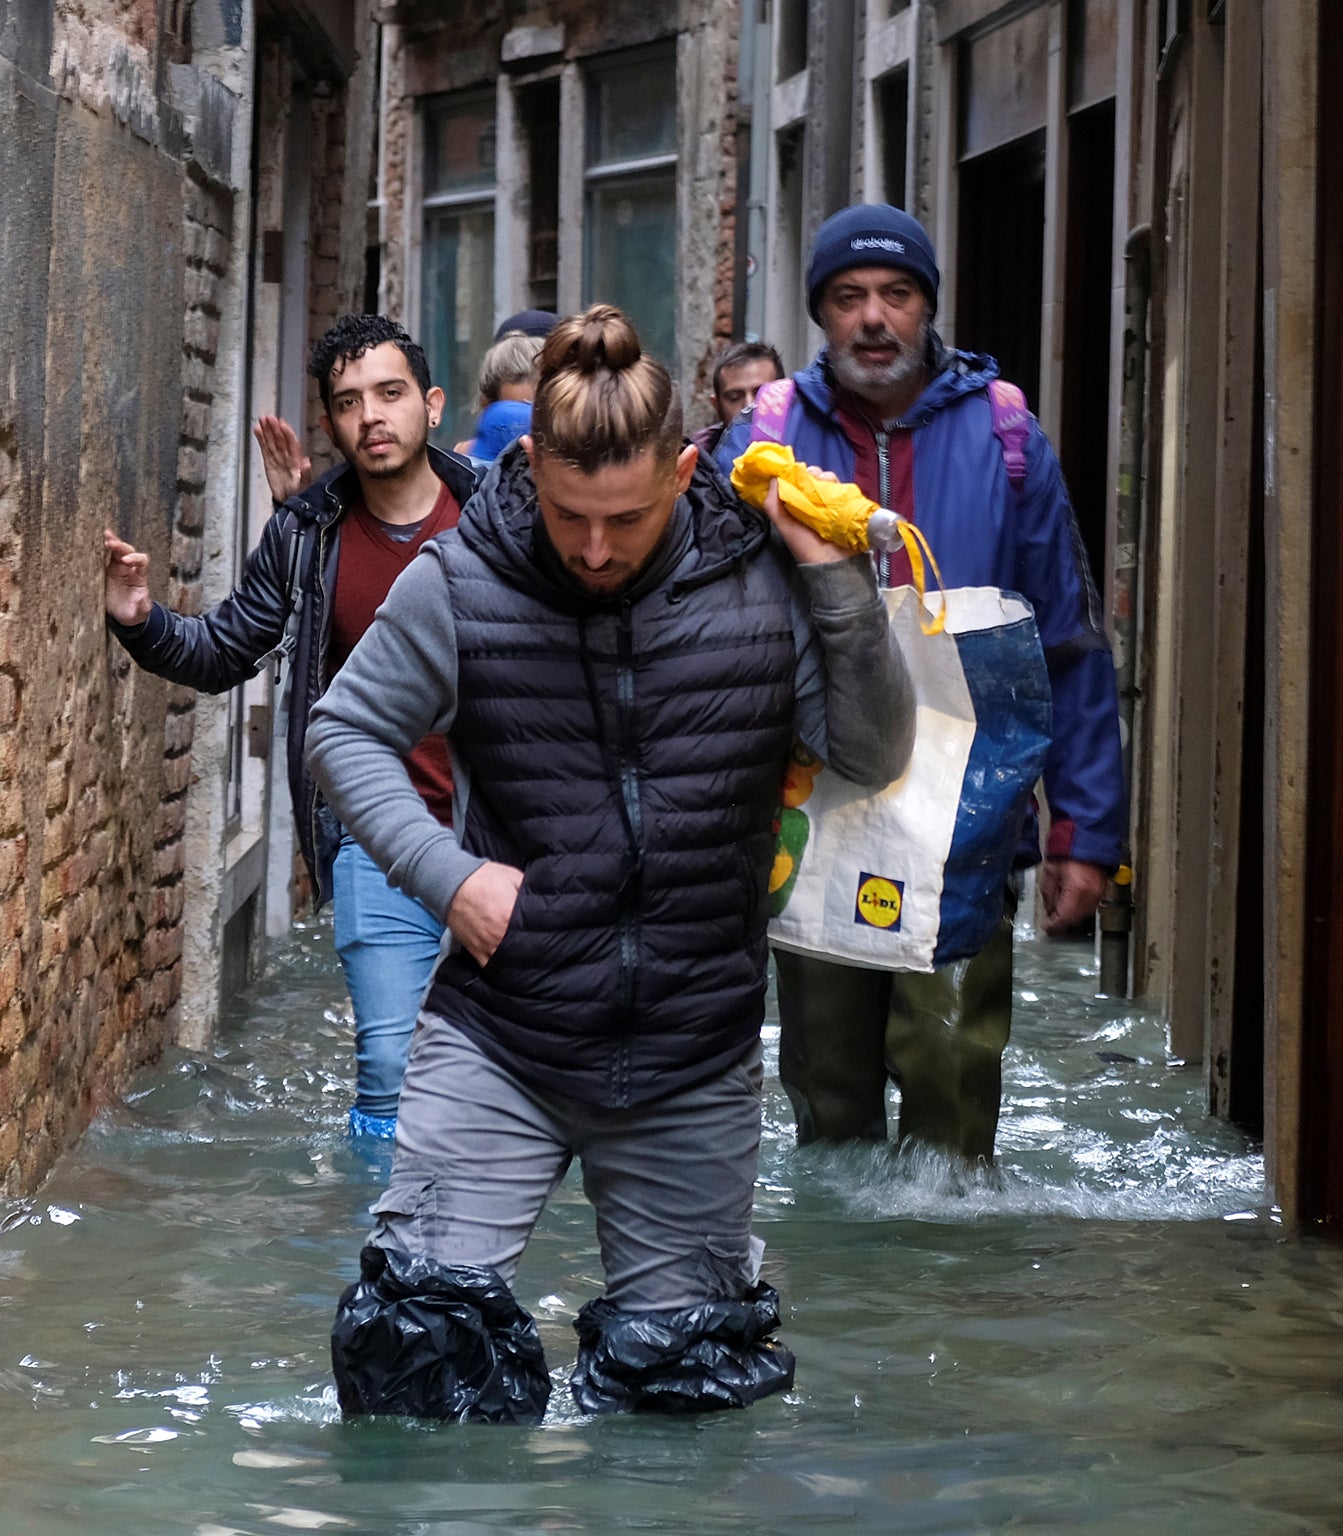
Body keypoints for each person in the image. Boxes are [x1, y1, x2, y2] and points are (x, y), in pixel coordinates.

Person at [305, 304, 914, 1421]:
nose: (592, 548)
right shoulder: (462, 582)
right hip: (503, 1034)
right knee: (414, 1372)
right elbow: (341, 733)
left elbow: (872, 752)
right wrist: (450, 878)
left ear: (685, 471)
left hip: (691, 1048)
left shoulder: (764, 586)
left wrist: (832, 581)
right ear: (526, 465)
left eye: (624, 520)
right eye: (567, 513)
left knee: (676, 1409)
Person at [718, 203, 1127, 1165]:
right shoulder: (766, 439)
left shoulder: (1007, 435)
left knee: (953, 1074)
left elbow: (1065, 643)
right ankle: (846, 1297)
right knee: (827, 1088)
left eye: (897, 295)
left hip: (969, 817)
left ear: (927, 307)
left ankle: (942, 1288)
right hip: (814, 800)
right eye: (850, 297)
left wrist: (1084, 831)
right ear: (821, 312)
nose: (874, 317)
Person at [102, 315, 476, 1139]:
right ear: (333, 423)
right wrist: (139, 619)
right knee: (388, 1068)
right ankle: (388, 1251)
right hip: (377, 832)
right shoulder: (305, 534)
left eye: (390, 393)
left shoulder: (498, 515)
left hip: (505, 827)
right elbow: (226, 648)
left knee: (509, 1064)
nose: (372, 416)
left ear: (432, 404)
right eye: (349, 403)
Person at [454, 331, 544, 464]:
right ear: (486, 406)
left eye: (540, 414)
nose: (525, 439)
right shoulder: (465, 465)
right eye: (512, 418)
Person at [688, 340, 784, 461]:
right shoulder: (697, 459)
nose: (749, 405)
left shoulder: (808, 443)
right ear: (717, 406)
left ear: (785, 397)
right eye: (734, 397)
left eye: (761, 394)